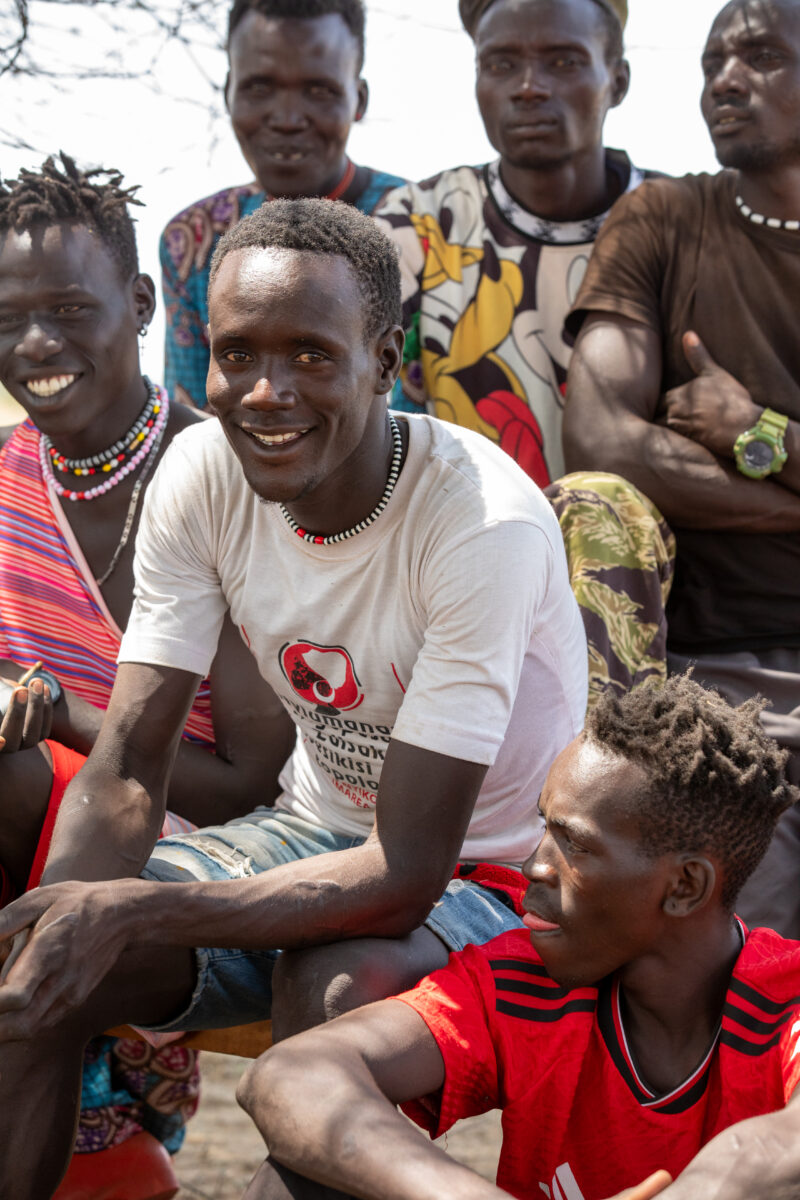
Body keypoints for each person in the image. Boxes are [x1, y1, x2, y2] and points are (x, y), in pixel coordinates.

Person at [0, 196, 588, 1199]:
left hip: (491, 874)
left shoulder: (477, 525)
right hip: (310, 829)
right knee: (36, 979)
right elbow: (131, 763)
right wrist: (67, 922)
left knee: (332, 990)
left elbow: (408, 872)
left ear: (383, 358)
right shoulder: (202, 473)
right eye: (237, 354)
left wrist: (134, 916)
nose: (266, 392)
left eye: (310, 354)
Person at [0, 154, 293, 1186]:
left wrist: (56, 712)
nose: (37, 343)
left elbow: (246, 782)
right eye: (9, 316)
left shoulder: (227, 483)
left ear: (136, 303)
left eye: (71, 308)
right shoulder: (4, 486)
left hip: (208, 841)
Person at [237, 675, 800, 1200]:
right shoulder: (521, 979)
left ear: (685, 885)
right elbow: (292, 1074)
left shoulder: (785, 997)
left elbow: (777, 1144)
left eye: (574, 845)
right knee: (291, 1180)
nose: (533, 867)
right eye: (543, 828)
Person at [563, 0, 800, 937]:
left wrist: (761, 432)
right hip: (708, 667)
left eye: (763, 56)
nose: (726, 80)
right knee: (747, 969)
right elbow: (602, 442)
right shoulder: (662, 220)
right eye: (713, 61)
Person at [374, 0, 643, 487]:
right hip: (472, 543)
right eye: (500, 64)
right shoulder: (422, 223)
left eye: (564, 62)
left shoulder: (679, 222)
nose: (528, 88)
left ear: (618, 82)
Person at [161, 0, 404, 409]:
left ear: (358, 99)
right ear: (228, 94)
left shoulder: (424, 229)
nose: (288, 118)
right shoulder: (194, 241)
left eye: (318, 90)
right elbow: (197, 421)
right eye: (260, 88)